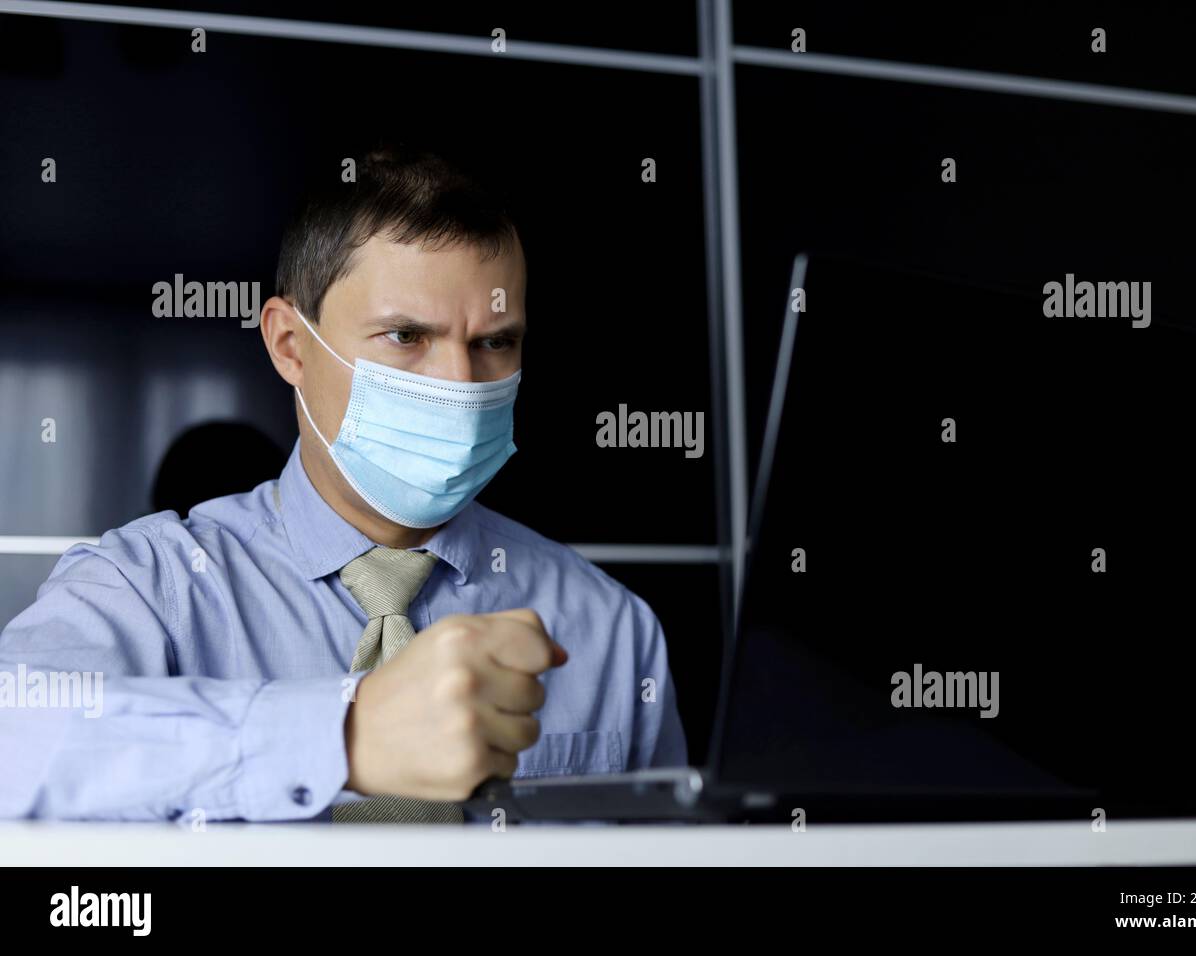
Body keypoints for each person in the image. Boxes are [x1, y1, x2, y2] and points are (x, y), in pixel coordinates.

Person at [0, 145, 688, 823]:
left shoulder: (611, 630)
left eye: (494, 342)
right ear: (290, 346)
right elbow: (15, 743)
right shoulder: (148, 588)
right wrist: (343, 737)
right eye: (406, 335)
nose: (459, 385)